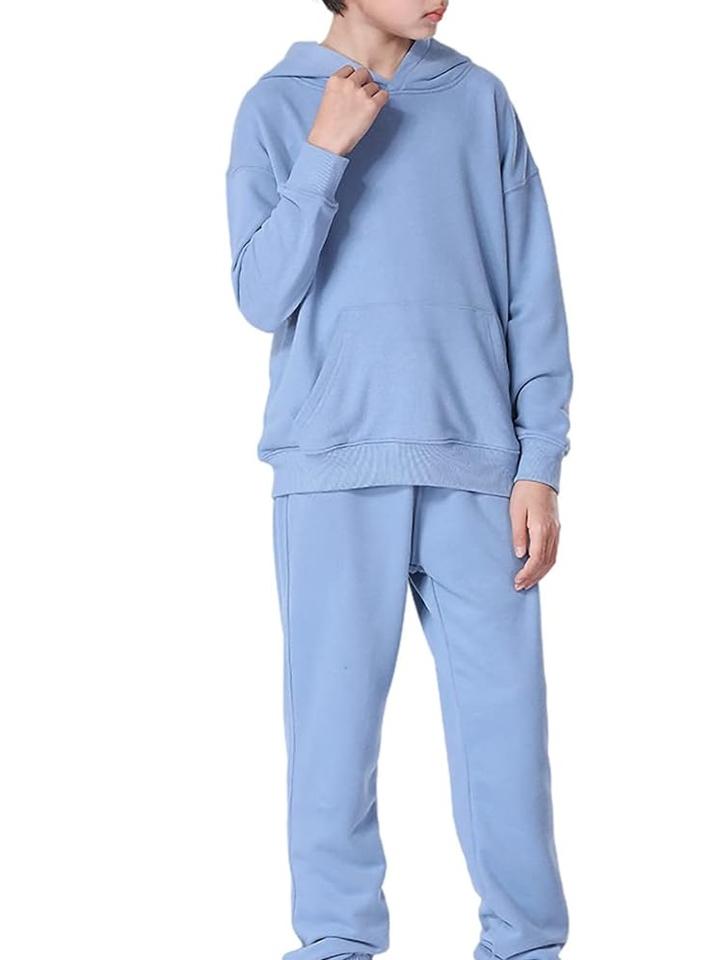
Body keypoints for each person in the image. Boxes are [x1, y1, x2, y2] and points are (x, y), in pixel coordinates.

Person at [224, 1, 573, 958]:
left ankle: (526, 944)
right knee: (332, 736)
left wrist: (539, 463)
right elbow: (261, 296)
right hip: (331, 463)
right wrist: (324, 151)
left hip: (480, 469)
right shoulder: (275, 104)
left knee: (506, 736)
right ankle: (335, 944)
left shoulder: (479, 100)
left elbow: (532, 291)